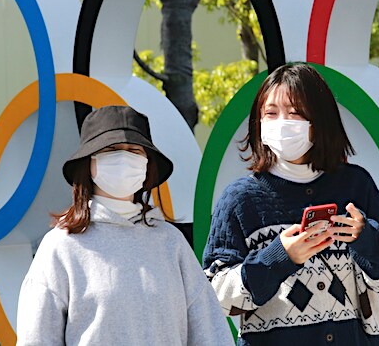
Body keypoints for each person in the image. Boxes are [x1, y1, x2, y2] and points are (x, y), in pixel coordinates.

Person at [203, 63, 379, 345]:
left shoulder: (356, 185)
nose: (282, 123)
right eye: (270, 114)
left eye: (295, 113)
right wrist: (277, 259)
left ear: (320, 121)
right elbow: (215, 296)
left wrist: (365, 239)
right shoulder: (240, 199)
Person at [16, 105, 234, 346]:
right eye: (111, 149)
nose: (124, 157)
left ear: (147, 165)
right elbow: (36, 339)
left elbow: (211, 332)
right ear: (89, 164)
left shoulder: (171, 243)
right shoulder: (61, 247)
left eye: (134, 150)